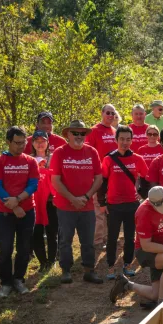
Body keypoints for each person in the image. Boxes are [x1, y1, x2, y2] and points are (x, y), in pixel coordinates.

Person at [50, 120, 104, 284]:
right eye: (76, 133)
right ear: (67, 135)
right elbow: (56, 181)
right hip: (66, 206)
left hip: (86, 206)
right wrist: (72, 199)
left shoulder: (92, 152)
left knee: (88, 240)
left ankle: (89, 270)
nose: (79, 136)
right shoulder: (59, 153)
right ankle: (66, 271)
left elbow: (99, 178)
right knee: (66, 240)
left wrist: (86, 197)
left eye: (82, 133)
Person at [0, 126, 39, 297]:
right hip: (5, 213)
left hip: (27, 212)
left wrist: (17, 200)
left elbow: (33, 184)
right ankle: (6, 282)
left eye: (23, 142)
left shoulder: (30, 161)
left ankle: (18, 279)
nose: (21, 146)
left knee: (24, 248)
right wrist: (13, 205)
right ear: (8, 142)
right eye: (17, 143)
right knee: (5, 249)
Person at [98, 125, 149, 280]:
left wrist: (141, 196)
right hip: (113, 205)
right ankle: (111, 266)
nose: (125, 142)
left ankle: (127, 264)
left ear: (132, 141)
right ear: (116, 140)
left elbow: (146, 179)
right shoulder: (108, 159)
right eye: (121, 139)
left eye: (128, 139)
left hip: (131, 204)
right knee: (112, 238)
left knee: (129, 238)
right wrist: (102, 203)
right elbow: (102, 182)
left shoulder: (137, 159)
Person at [85, 104, 117, 249]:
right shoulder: (93, 130)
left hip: (113, 175)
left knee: (109, 207)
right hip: (98, 175)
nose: (110, 115)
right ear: (102, 113)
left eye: (113, 113)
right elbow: (87, 152)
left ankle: (107, 237)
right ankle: (97, 240)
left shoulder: (114, 131)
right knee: (98, 207)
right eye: (108, 113)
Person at [30, 130, 58, 273]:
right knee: (36, 232)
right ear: (33, 143)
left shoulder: (53, 158)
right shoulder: (28, 159)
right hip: (33, 201)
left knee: (52, 232)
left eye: (43, 141)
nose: (40, 144)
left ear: (47, 143)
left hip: (51, 201)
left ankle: (52, 260)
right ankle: (43, 262)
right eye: (37, 141)